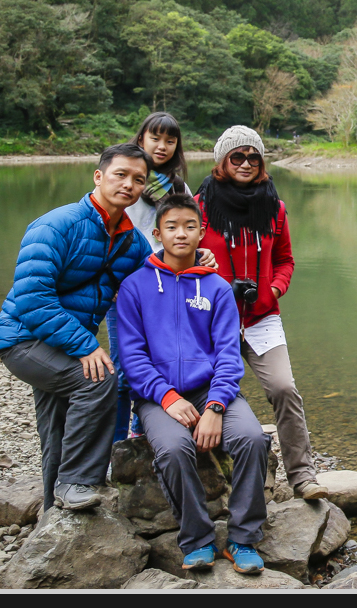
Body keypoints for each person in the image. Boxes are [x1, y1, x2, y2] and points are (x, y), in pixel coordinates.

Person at [0, 144, 154, 511]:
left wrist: (197, 260)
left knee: (57, 425)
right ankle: (78, 481)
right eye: (120, 175)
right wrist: (86, 346)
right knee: (98, 379)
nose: (129, 184)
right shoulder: (57, 225)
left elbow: (156, 283)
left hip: (62, 343)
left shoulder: (132, 242)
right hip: (23, 339)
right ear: (98, 176)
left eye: (138, 179)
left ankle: (52, 512)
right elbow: (32, 298)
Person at [116, 194, 270, 574]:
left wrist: (215, 407)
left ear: (202, 233)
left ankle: (243, 538)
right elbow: (132, 358)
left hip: (209, 389)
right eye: (171, 227)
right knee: (172, 448)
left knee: (252, 438)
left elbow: (229, 356)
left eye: (189, 226)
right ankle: (198, 538)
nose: (181, 234)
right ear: (157, 234)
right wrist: (167, 397)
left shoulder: (217, 288)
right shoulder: (135, 287)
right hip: (157, 395)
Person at [196, 125, 328, 501]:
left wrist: (271, 290)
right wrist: (211, 278)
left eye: (253, 157)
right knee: (204, 392)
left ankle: (302, 476)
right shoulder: (199, 205)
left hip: (261, 316)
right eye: (237, 156)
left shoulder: (275, 208)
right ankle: (208, 478)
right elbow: (179, 255)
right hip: (209, 319)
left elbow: (285, 260)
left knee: (284, 389)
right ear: (222, 161)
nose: (246, 163)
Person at [108, 112, 193, 443]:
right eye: (155, 138)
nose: (162, 146)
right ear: (141, 138)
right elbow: (105, 233)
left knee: (160, 363)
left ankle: (143, 435)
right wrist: (113, 281)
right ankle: (117, 445)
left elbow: (187, 234)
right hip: (123, 288)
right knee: (123, 369)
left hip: (165, 287)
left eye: (170, 141)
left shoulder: (177, 187)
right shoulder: (124, 179)